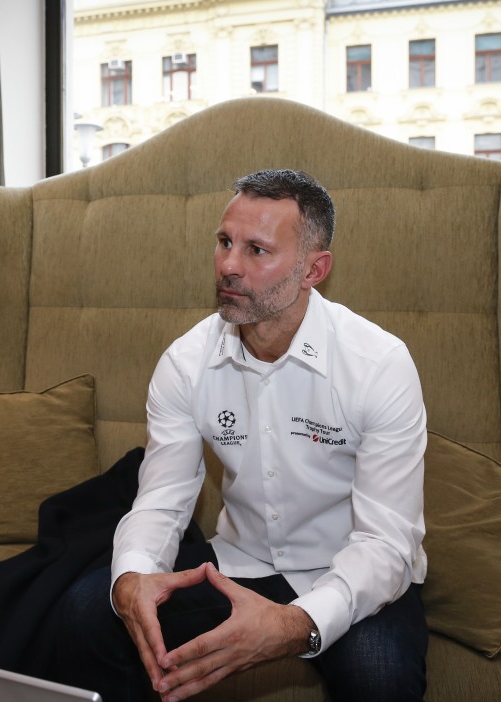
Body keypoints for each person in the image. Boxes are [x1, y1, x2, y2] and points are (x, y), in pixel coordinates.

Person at [48, 169, 428, 702]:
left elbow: (386, 543)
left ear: (313, 269)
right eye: (225, 242)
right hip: (240, 562)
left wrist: (296, 622)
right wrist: (133, 578)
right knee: (88, 612)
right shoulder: (186, 362)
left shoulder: (378, 365)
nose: (229, 264)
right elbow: (161, 500)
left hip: (353, 570)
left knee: (379, 679)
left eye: (257, 250)